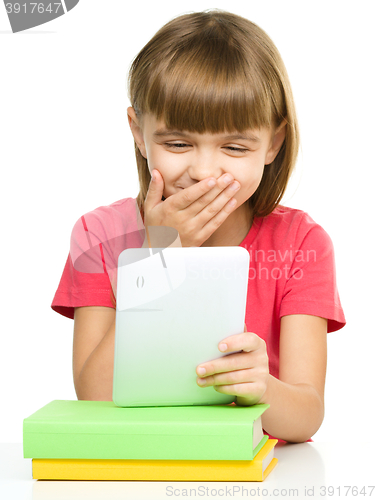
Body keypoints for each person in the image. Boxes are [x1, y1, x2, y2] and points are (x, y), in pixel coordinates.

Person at [51, 10, 346, 443]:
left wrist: (262, 388)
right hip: (140, 466)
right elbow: (94, 400)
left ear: (274, 143)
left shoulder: (301, 244)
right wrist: (161, 257)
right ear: (138, 132)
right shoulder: (98, 236)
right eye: (177, 144)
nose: (204, 172)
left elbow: (305, 419)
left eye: (234, 146)